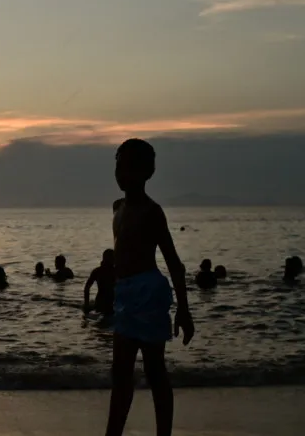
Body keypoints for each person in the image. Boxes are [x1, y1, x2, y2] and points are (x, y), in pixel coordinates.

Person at [105, 139, 194, 436]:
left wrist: (184, 310)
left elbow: (174, 263)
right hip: (124, 294)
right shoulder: (117, 207)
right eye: (119, 167)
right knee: (120, 373)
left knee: (155, 370)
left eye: (130, 168)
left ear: (147, 173)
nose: (122, 174)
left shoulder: (152, 212)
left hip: (148, 293)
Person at [84, 249, 115, 317]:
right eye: (112, 258)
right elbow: (87, 288)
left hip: (109, 302)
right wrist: (86, 304)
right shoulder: (98, 271)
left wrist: (86, 304)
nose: (114, 260)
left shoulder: (115, 271)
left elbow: (87, 288)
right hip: (101, 302)